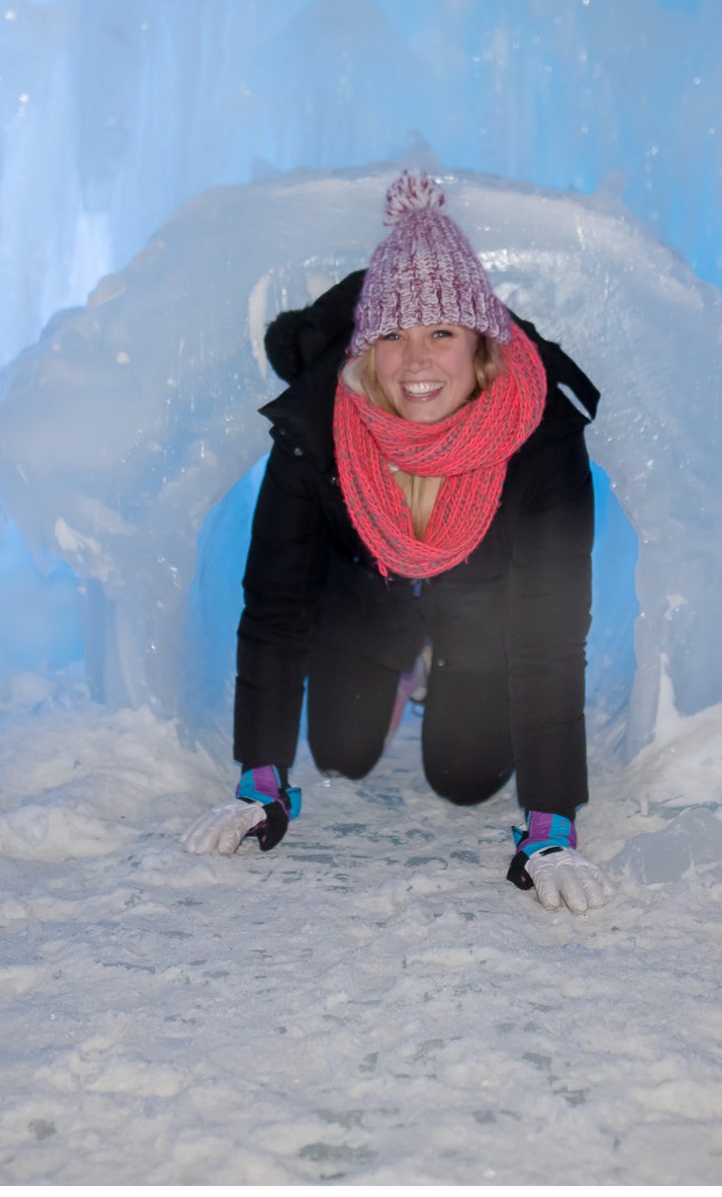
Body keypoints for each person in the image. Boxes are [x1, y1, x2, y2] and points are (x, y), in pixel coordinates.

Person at [180, 170, 611, 914]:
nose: (416, 362)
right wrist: (260, 781)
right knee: (340, 757)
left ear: (481, 348)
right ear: (365, 351)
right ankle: (401, 669)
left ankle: (444, 669)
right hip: (367, 600)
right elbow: (276, 608)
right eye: (392, 337)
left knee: (466, 778)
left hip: (481, 617)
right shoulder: (316, 430)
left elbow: (548, 638)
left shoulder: (543, 442)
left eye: (441, 333)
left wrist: (550, 825)